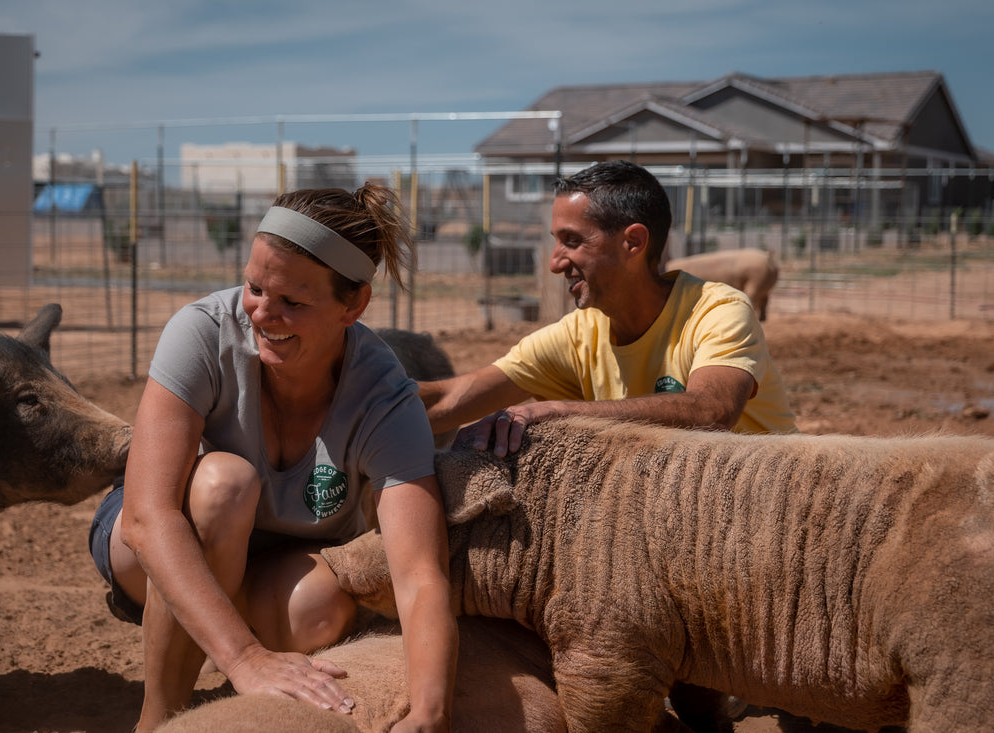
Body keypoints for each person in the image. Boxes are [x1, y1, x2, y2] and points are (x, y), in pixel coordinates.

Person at [88, 184, 457, 733]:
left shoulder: (384, 396)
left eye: (293, 302)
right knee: (223, 484)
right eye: (255, 287)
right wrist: (242, 659)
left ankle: (213, 635)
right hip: (154, 548)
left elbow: (421, 573)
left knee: (320, 609)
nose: (262, 313)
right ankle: (156, 719)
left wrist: (429, 713)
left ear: (353, 304)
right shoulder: (202, 332)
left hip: (271, 567)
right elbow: (147, 517)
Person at [420, 159, 796, 456]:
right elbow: (448, 400)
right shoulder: (578, 334)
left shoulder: (717, 311)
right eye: (556, 241)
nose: (554, 263)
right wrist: (365, 391)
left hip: (769, 518)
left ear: (633, 243)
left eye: (571, 241)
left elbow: (712, 412)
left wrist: (559, 412)